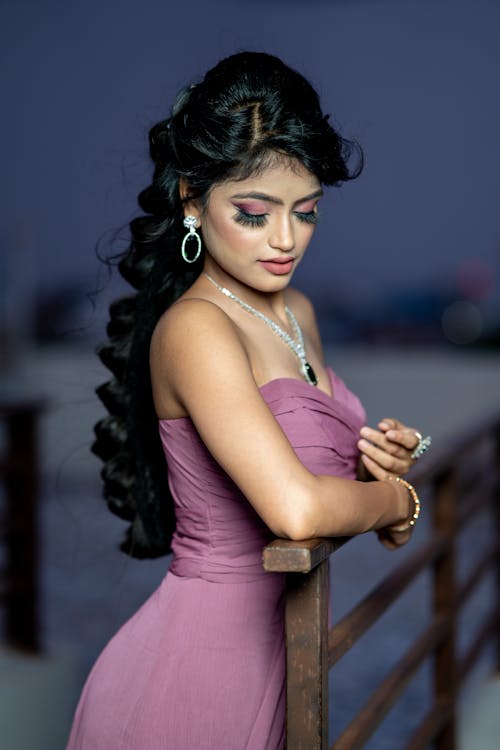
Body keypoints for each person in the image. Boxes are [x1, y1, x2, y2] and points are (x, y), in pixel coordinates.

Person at [67, 51, 431, 749]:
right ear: (192, 197)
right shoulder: (196, 330)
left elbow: (336, 493)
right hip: (194, 678)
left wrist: (380, 464)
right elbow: (296, 510)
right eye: (255, 213)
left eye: (307, 211)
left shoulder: (295, 310)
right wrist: (398, 502)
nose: (287, 239)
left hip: (283, 655)